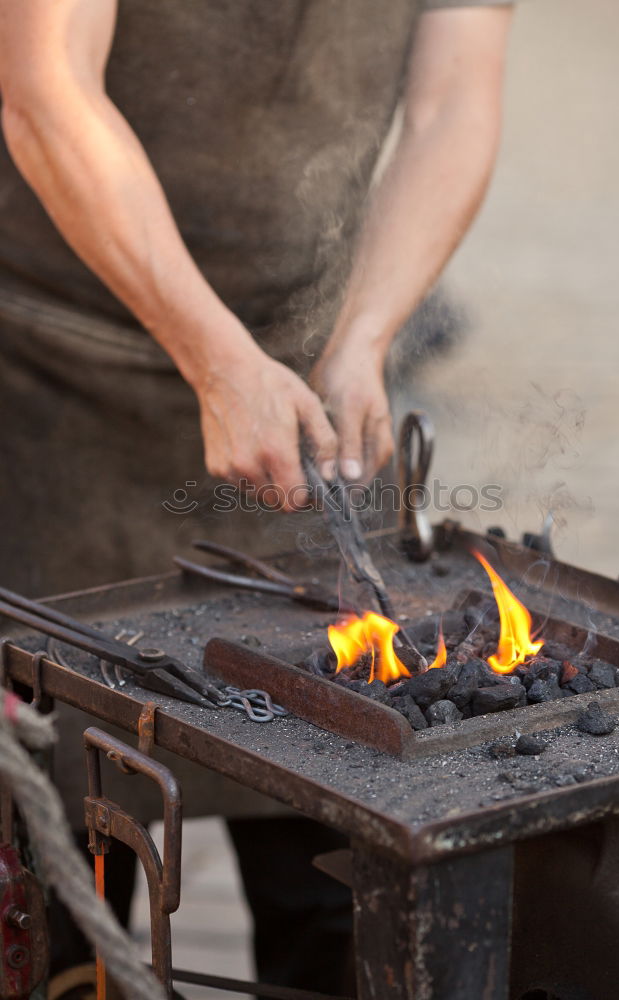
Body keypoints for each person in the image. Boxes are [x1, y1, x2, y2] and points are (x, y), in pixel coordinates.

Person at [0, 0, 514, 993]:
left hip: (304, 391)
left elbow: (454, 105)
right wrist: (212, 353)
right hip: (48, 388)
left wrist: (366, 332)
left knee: (345, 878)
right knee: (59, 891)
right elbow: (44, 90)